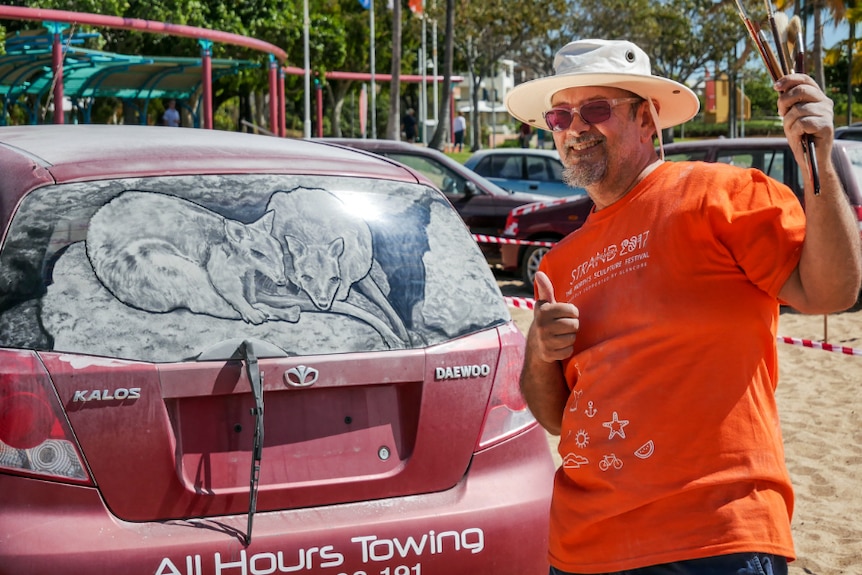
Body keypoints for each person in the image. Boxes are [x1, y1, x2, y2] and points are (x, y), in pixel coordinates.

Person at [504, 39, 862, 575]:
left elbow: (831, 292)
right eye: (559, 115)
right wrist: (538, 351)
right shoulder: (559, 262)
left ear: (647, 119)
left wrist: (822, 163)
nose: (574, 127)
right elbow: (557, 418)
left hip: (714, 538)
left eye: (596, 109)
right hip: (584, 547)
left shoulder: (721, 194)